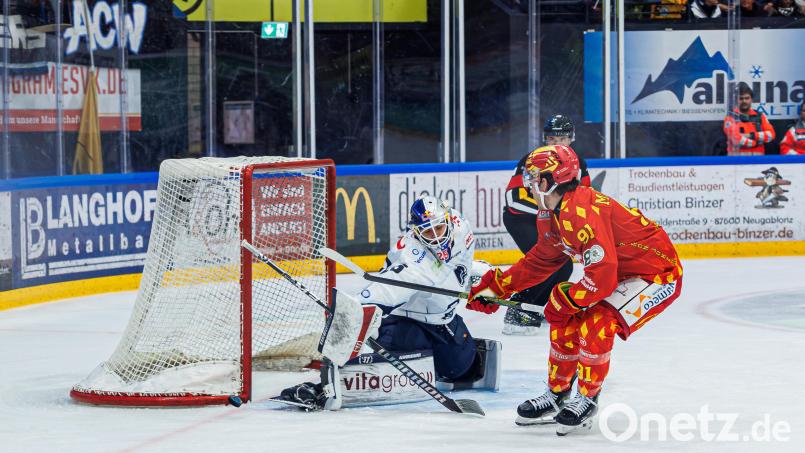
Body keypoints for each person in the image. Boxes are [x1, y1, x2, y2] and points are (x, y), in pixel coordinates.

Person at [467, 145, 683, 436]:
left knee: (596, 323)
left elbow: (602, 278)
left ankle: (588, 398)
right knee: (564, 316)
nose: (528, 184)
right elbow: (541, 261)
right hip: (620, 271)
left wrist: (564, 299)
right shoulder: (549, 215)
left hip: (656, 274)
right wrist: (497, 288)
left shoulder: (581, 212)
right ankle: (557, 395)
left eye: (533, 177)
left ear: (550, 179)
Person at [279, 196, 501, 410]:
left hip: (444, 320)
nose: (435, 237)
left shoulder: (462, 227)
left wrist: (485, 284)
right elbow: (389, 288)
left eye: (439, 229)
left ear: (449, 220)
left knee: (459, 369)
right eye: (427, 232)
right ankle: (322, 387)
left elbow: (461, 263)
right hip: (406, 320)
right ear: (416, 232)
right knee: (387, 365)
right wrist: (357, 307)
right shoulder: (415, 259)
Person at [500, 115, 591, 336]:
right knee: (550, 263)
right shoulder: (534, 160)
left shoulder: (578, 163)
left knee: (565, 266)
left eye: (562, 139)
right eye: (551, 139)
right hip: (522, 219)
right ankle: (518, 307)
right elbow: (513, 199)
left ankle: (536, 307)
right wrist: (548, 211)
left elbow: (585, 199)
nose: (556, 144)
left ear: (571, 139)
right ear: (544, 139)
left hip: (550, 221)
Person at [723, 85, 775, 155]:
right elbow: (735, 138)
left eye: (747, 98)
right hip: (737, 160)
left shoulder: (760, 116)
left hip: (759, 160)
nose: (744, 101)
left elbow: (771, 134)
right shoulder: (730, 117)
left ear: (751, 99)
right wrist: (755, 143)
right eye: (741, 98)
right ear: (736, 100)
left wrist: (751, 135)